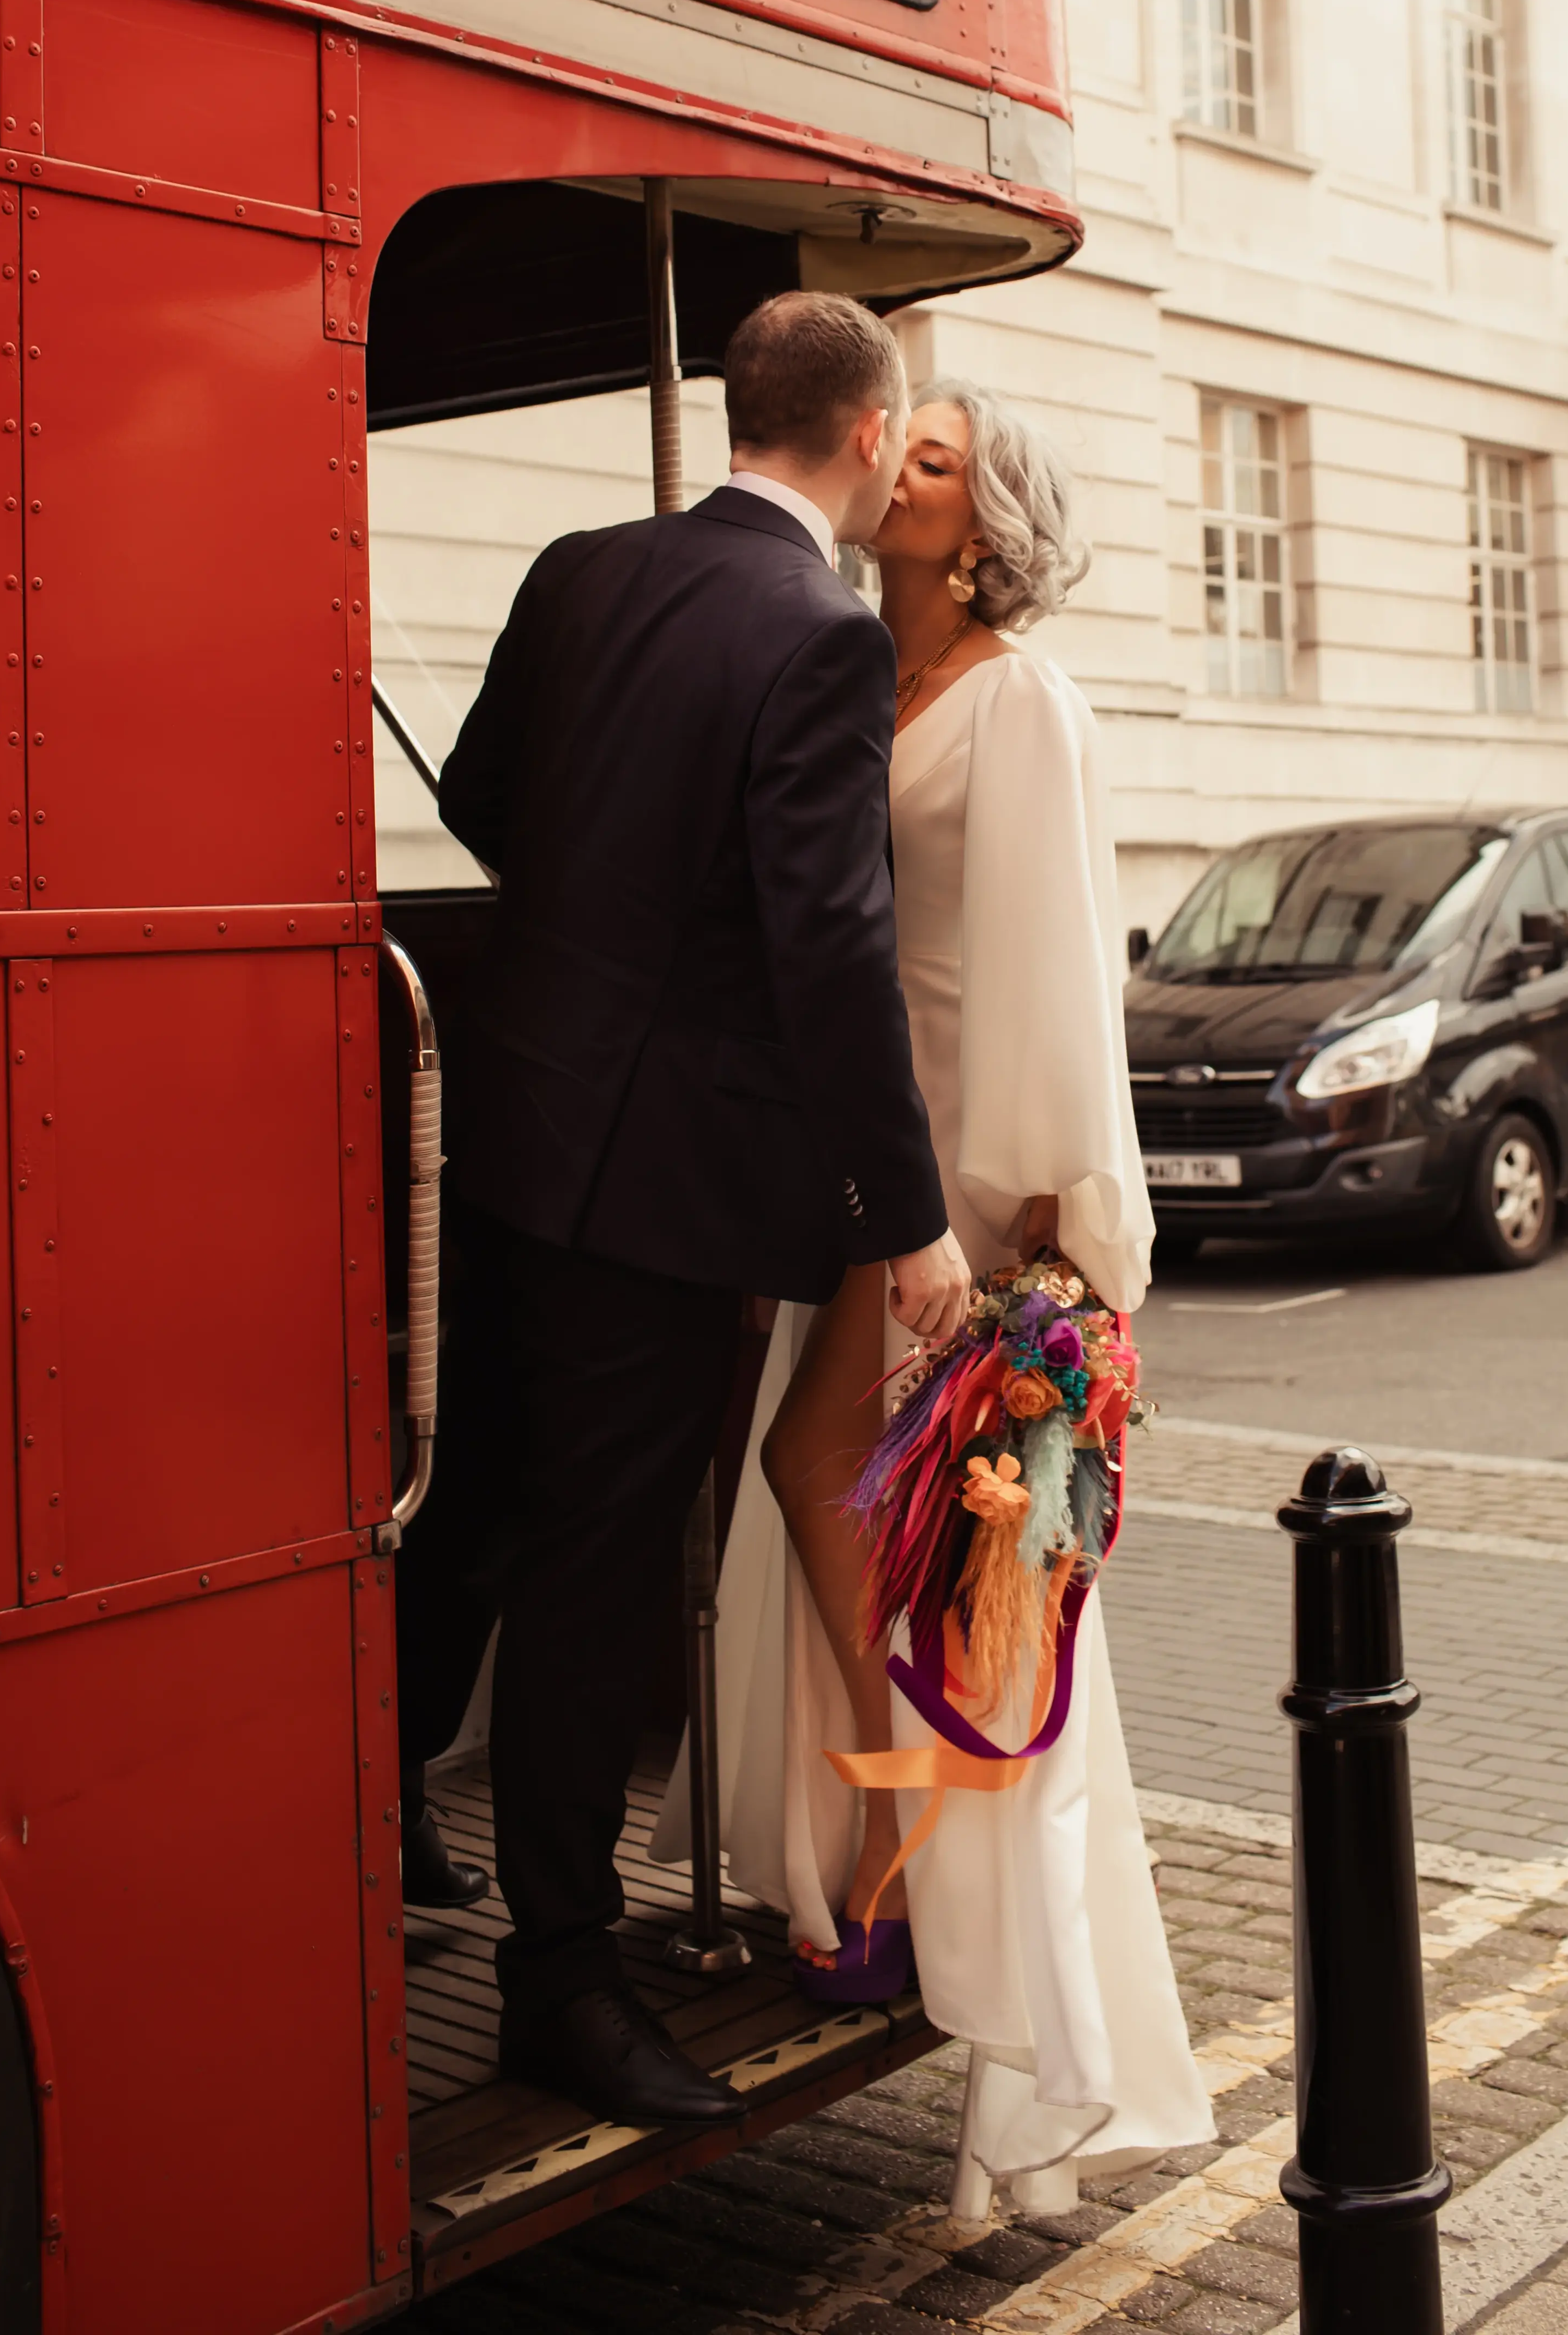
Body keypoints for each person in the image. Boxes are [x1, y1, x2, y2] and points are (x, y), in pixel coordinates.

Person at [395, 292, 971, 2128]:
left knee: (470, 1499)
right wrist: (910, 1213)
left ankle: (381, 1813)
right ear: (870, 434)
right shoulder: (817, 638)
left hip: (507, 1130)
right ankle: (560, 1974)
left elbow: (485, 798)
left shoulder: (580, 567)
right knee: (595, 1568)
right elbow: (832, 954)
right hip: (663, 1193)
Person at [658, 378, 1212, 2211]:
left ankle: (920, 1862)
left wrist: (1057, 1242)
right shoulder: (863, 671)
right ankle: (890, 1851)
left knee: (900, 1521)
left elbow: (1060, 960)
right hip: (871, 1151)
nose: (903, 459)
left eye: (944, 454)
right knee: (863, 1515)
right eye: (906, 438)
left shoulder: (1022, 698)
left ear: (987, 520)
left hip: (969, 1174)